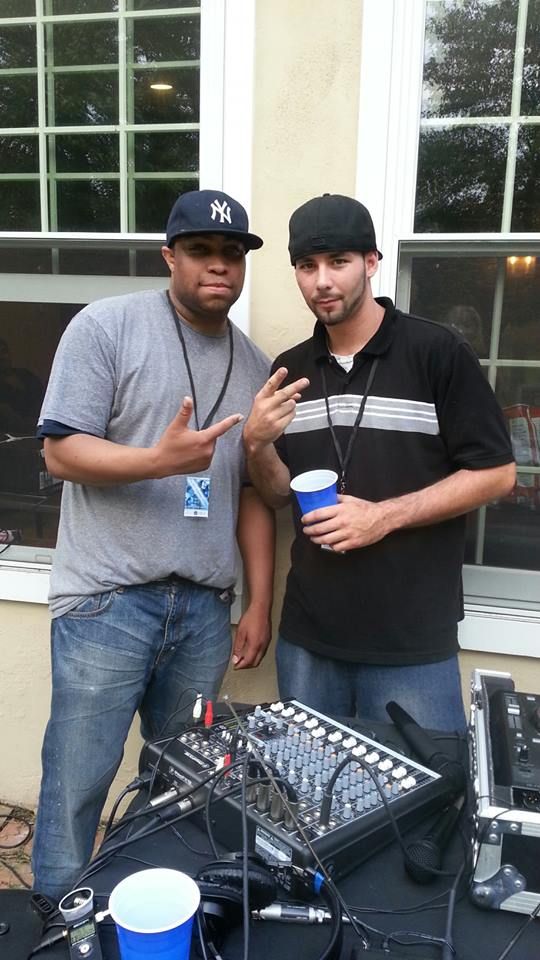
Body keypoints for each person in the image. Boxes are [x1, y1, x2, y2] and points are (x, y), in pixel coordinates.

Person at [32, 189, 275, 901]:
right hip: (108, 601)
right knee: (79, 778)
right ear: (170, 256)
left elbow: (252, 494)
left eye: (232, 254)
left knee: (177, 787)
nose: (218, 266)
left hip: (204, 611)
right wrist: (158, 462)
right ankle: (61, 918)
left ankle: (150, 907)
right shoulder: (106, 326)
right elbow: (60, 453)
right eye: (201, 251)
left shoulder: (254, 365)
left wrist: (259, 602)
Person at [243, 193, 515, 732]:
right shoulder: (289, 370)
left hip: (411, 642)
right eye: (307, 266)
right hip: (310, 638)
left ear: (371, 262)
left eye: (338, 262)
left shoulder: (436, 352)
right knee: (308, 786)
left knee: (419, 789)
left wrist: (383, 516)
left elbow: (497, 474)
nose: (322, 281)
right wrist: (257, 445)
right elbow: (275, 494)